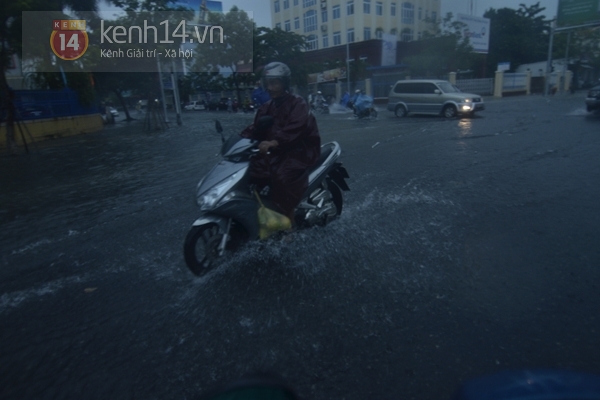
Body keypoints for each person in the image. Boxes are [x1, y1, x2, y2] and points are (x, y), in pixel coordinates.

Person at [240, 62, 321, 224]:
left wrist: (275, 141)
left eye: (274, 83)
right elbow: (255, 128)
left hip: (299, 150)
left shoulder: (298, 103)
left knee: (282, 177)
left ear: (284, 83)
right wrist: (238, 141)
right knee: (252, 172)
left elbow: (296, 128)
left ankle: (288, 223)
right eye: (268, 83)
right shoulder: (266, 107)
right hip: (275, 150)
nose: (270, 87)